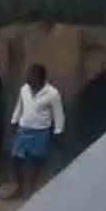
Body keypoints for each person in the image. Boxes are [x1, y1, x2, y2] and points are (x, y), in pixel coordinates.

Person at [5, 64, 65, 200]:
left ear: (41, 78)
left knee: (35, 162)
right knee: (16, 158)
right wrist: (14, 122)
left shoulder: (52, 93)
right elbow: (19, 107)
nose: (29, 80)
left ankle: (31, 192)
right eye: (28, 77)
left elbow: (58, 114)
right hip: (23, 129)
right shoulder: (24, 89)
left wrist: (58, 132)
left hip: (40, 132)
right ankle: (19, 188)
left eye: (32, 77)